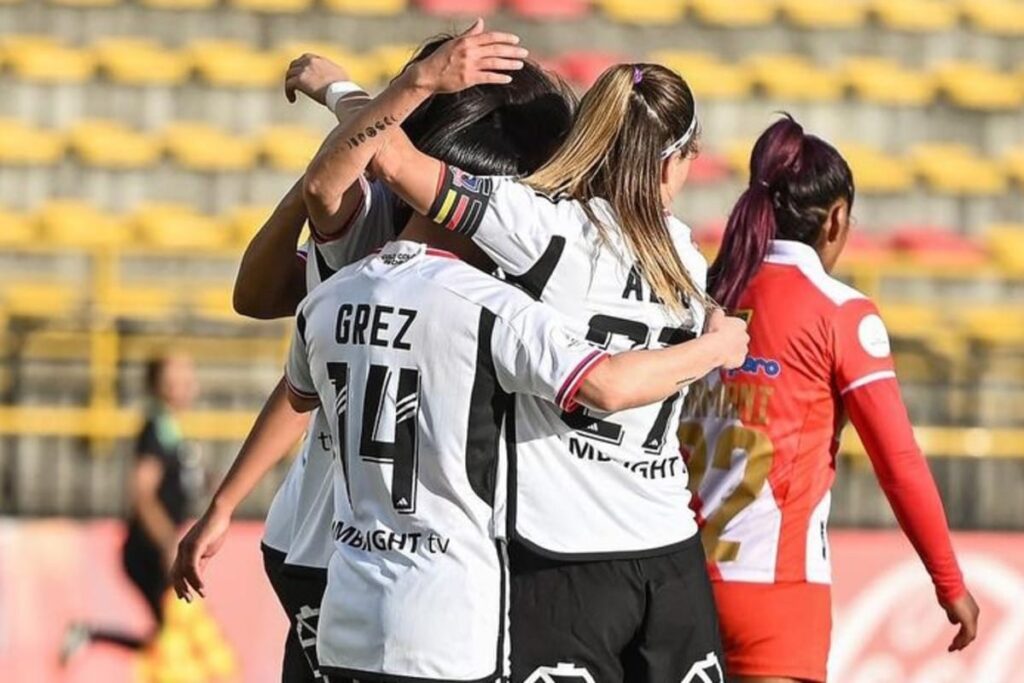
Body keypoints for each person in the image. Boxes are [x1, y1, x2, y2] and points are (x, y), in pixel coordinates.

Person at [301, 29, 746, 682]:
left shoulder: (542, 230)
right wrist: (717, 346)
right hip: (668, 549)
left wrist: (340, 86)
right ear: (674, 162)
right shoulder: (688, 258)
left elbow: (389, 161)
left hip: (559, 556)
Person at [172, 27, 577, 683]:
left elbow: (302, 377)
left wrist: (344, 100)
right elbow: (307, 230)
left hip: (381, 537)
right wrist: (370, 106)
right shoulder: (383, 224)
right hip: (344, 538)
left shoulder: (472, 238)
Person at [680, 114, 980, 683]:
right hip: (776, 597)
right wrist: (950, 584)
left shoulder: (703, 296)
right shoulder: (841, 312)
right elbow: (898, 464)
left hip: (674, 584)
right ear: (837, 217)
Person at [62, 354, 200, 663]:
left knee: (167, 640)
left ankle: (90, 635)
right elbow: (142, 493)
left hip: (155, 549)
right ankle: (90, 634)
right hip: (148, 551)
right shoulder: (155, 430)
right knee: (172, 642)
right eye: (180, 379)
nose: (190, 386)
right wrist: (168, 543)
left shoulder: (170, 430)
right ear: (161, 386)